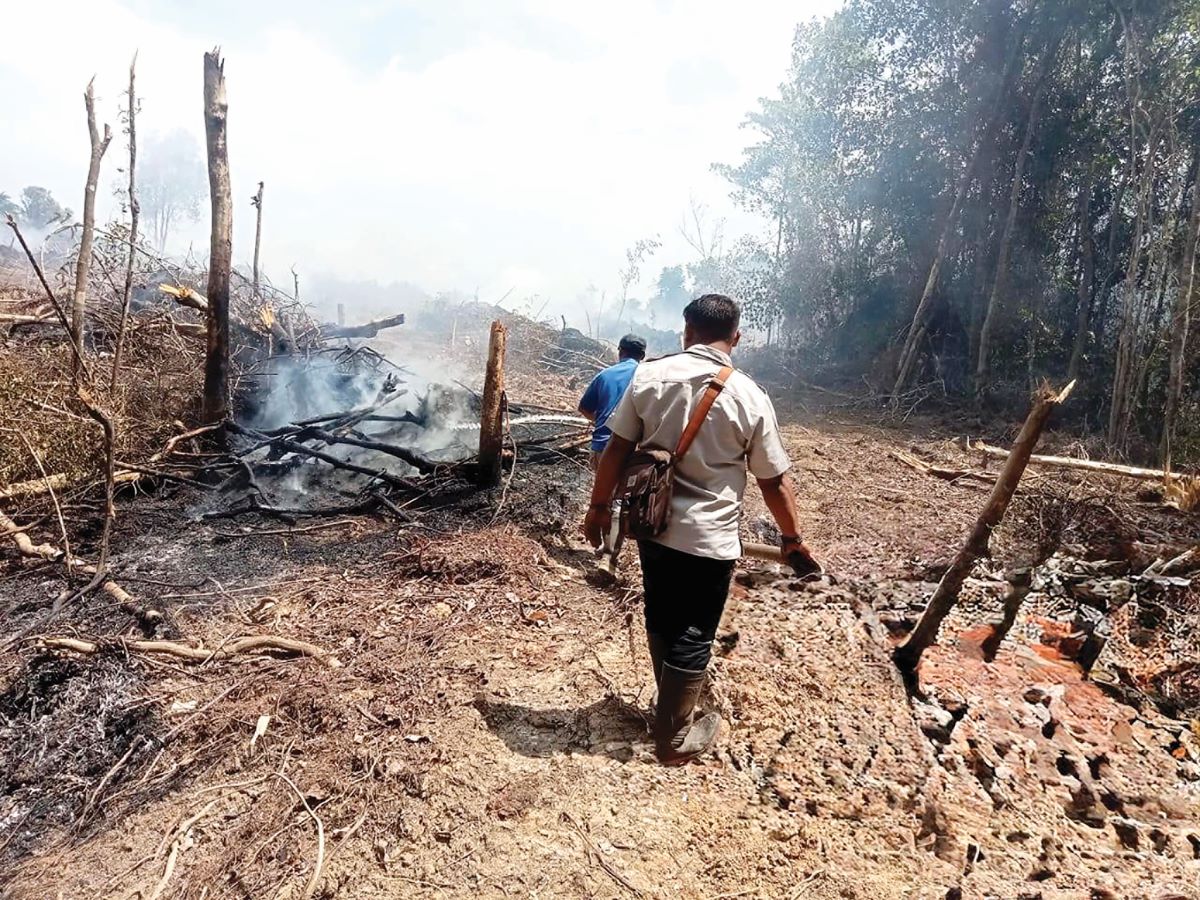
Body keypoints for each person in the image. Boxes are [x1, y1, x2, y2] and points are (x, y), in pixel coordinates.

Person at [582, 294, 819, 765]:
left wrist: (598, 507)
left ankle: (668, 709)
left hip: (653, 526)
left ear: (686, 331)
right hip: (710, 540)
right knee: (693, 631)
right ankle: (672, 738)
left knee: (661, 615)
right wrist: (792, 539)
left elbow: (616, 450)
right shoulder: (749, 396)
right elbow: (773, 481)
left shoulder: (650, 376)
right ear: (737, 338)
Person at [578, 333, 647, 469]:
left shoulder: (604, 375)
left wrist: (603, 421)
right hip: (632, 450)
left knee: (601, 483)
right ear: (643, 356)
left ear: (620, 351)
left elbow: (584, 408)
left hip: (602, 447)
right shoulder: (647, 377)